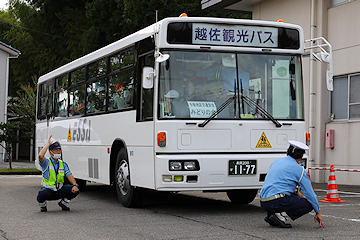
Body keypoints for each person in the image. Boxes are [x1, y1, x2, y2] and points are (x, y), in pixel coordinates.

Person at [260, 140, 326, 228]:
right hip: (275, 202)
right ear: (301, 157)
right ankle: (281, 216)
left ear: (287, 152)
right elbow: (309, 193)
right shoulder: (299, 169)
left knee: (293, 197)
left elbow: (278, 183)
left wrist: (296, 192)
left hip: (263, 201)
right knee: (309, 204)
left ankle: (271, 215)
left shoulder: (276, 162)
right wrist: (318, 211)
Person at [36, 135, 79, 212]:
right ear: (50, 152)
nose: (58, 152)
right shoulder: (46, 162)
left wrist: (75, 185)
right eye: (56, 150)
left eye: (59, 150)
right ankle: (43, 206)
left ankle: (63, 203)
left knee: (76, 189)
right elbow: (40, 156)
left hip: (59, 189)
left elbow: (69, 174)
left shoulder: (62, 163)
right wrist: (48, 145)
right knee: (41, 194)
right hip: (48, 190)